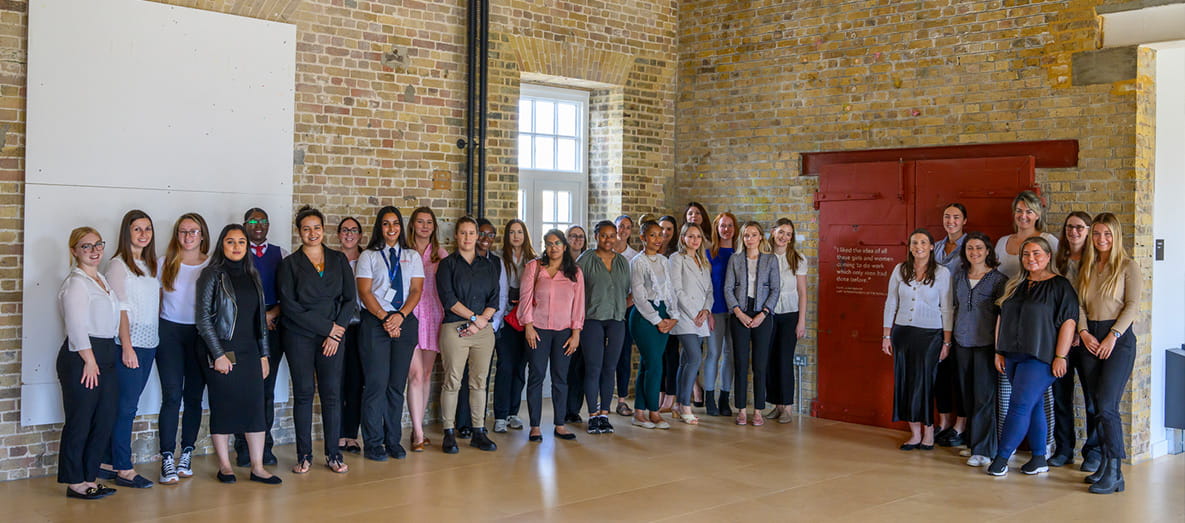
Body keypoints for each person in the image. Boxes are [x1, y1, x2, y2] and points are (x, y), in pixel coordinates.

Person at [196, 225, 281, 485]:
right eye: (231, 242)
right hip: (222, 350)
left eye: (241, 242)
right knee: (224, 406)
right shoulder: (211, 275)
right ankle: (225, 466)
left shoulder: (252, 275)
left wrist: (264, 355)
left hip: (250, 351)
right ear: (222, 245)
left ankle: (257, 467)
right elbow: (202, 319)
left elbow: (260, 322)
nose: (236, 247)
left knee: (255, 407)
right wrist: (218, 354)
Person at [987, 237, 1078, 477]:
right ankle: (1039, 457)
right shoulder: (1015, 284)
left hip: (1041, 357)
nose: (1031, 258)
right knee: (1033, 405)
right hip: (1013, 354)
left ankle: (1001, 458)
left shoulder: (1061, 286)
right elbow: (1001, 317)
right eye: (1026, 254)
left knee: (1018, 406)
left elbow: (1069, 322)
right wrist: (999, 350)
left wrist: (1061, 356)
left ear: (1048, 256)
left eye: (1037, 253)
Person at [277, 206, 357, 474]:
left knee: (331, 395)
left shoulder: (339, 260)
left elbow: (349, 299)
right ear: (299, 232)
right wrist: (328, 328)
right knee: (303, 394)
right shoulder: (289, 264)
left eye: (316, 227)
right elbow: (289, 306)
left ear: (323, 229)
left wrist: (337, 332)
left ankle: (333, 455)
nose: (312, 233)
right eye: (306, 228)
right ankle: (304, 456)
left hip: (334, 337)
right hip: (300, 336)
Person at [1077, 213, 1141, 494]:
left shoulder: (1128, 267)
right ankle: (1104, 463)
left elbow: (1132, 305)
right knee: (1094, 404)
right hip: (1090, 338)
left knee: (1107, 405)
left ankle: (1115, 472)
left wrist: (1112, 336)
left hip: (1118, 340)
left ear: (1116, 236)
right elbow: (1077, 305)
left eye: (1107, 234)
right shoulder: (1087, 266)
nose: (1101, 239)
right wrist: (1084, 333)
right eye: (1097, 234)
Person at [94, 211, 159, 489]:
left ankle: (106, 462)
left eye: (147, 229)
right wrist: (127, 347)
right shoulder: (118, 265)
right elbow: (119, 308)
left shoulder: (149, 264)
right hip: (129, 344)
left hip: (150, 344)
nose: (143, 234)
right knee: (126, 409)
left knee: (125, 406)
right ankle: (124, 467)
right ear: (126, 233)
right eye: (137, 229)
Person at [992, 192, 1059, 460]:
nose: (1023, 216)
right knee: (1009, 394)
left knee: (1039, 397)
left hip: (1039, 331)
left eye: (1029, 211)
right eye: (1019, 211)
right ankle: (1012, 447)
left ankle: (1043, 448)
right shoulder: (1001, 243)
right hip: (1008, 319)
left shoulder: (1049, 241)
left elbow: (1056, 288)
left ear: (1038, 214)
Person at [355, 206, 424, 461]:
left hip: (403, 322)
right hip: (375, 323)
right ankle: (373, 443)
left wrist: (400, 316)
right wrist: (385, 318)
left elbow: (416, 291)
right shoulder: (369, 256)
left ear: (401, 226)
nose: (391, 228)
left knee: (396, 386)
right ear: (379, 227)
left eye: (395, 223)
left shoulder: (412, 255)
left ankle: (392, 440)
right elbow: (365, 292)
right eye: (386, 224)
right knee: (376, 385)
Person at [57, 227, 120, 499]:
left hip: (106, 353)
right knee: (80, 421)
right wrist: (90, 361)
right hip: (82, 356)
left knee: (104, 419)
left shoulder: (102, 279)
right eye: (86, 246)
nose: (94, 251)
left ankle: (89, 477)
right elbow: (76, 326)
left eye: (97, 245)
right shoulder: (76, 283)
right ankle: (75, 483)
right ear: (74, 251)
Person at [882, 229, 952, 450]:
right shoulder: (900, 270)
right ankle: (913, 433)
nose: (918, 246)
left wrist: (947, 342)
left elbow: (948, 309)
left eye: (923, 242)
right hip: (903, 333)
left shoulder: (942, 273)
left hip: (930, 335)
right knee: (905, 382)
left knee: (924, 383)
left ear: (932, 246)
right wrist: (886, 334)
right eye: (914, 242)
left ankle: (929, 431)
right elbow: (891, 302)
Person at [436, 216, 501, 453]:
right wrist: (474, 319)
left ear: (477, 236)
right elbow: (449, 299)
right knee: (453, 381)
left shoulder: (489, 265)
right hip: (455, 329)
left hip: (483, 332)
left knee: (479, 382)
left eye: (471, 233)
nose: (467, 237)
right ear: (456, 236)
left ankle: (478, 431)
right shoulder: (447, 265)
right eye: (462, 233)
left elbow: (494, 298)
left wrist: (480, 321)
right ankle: (449, 432)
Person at [155, 213, 209, 484]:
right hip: (169, 333)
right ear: (177, 235)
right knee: (172, 396)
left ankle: (187, 452)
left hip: (200, 334)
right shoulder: (165, 263)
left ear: (202, 235)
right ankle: (166, 457)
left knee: (194, 397)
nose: (188, 236)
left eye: (193, 231)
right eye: (183, 231)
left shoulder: (212, 265)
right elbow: (156, 302)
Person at [519, 230, 585, 441]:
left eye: (557, 243)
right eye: (549, 244)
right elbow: (525, 298)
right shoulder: (534, 267)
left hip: (564, 331)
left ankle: (560, 424)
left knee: (560, 378)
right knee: (536, 376)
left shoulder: (575, 272)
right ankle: (535, 426)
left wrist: (576, 333)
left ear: (564, 246)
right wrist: (528, 326)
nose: (553, 247)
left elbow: (579, 304)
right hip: (538, 330)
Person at [1049, 211, 1101, 471]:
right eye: (1070, 227)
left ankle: (1093, 451)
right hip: (1061, 339)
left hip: (1088, 337)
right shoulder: (1058, 260)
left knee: (1092, 398)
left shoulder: (1096, 262)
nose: (1074, 232)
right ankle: (1064, 448)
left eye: (1080, 227)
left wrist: (1081, 332)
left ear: (1089, 230)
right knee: (1061, 395)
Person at [951, 232, 1007, 467]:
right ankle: (974, 443)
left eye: (979, 248)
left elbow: (1002, 316)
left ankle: (984, 450)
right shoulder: (960, 276)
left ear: (988, 251)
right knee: (968, 394)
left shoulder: (998, 280)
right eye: (970, 248)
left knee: (984, 397)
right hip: (962, 343)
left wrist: (999, 348)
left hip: (986, 345)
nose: (974, 252)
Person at [238, 207, 288, 467]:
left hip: (274, 327)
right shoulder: (236, 250)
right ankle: (243, 448)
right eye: (253, 221)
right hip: (244, 330)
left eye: (263, 221)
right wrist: (257, 318)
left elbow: (288, 292)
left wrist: (271, 315)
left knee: (267, 389)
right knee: (244, 389)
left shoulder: (281, 254)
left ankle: (265, 446)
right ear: (245, 224)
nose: (258, 225)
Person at [576, 221, 630, 434]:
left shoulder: (623, 262)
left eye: (612, 235)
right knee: (594, 368)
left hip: (617, 319)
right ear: (596, 236)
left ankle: (605, 415)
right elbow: (576, 290)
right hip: (592, 319)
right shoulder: (586, 260)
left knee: (610, 368)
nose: (608, 240)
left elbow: (629, 290)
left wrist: (620, 306)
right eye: (604, 236)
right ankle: (592, 415)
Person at [724, 221, 780, 426]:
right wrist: (738, 313)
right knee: (740, 363)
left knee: (760, 364)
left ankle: (757, 410)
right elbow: (728, 289)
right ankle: (740, 409)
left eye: (753, 235)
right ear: (742, 238)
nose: (750, 239)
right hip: (740, 313)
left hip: (762, 315)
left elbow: (775, 289)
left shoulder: (770, 260)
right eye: (746, 235)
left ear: (760, 237)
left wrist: (763, 313)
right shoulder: (735, 259)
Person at [628, 221, 679, 429]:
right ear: (642, 237)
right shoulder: (638, 262)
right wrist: (658, 321)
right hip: (644, 317)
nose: (658, 239)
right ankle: (654, 411)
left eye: (660, 235)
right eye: (652, 235)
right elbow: (639, 297)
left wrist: (673, 317)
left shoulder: (665, 261)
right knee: (656, 364)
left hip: (664, 313)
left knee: (648, 365)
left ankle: (638, 413)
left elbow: (671, 290)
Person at [407, 207, 449, 451]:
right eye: (420, 222)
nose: (424, 226)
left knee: (425, 375)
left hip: (433, 317)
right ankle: (419, 433)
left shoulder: (440, 255)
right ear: (413, 225)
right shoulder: (404, 252)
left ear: (434, 227)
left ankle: (417, 426)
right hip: (410, 316)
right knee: (414, 374)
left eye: (429, 222)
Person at [491, 219, 536, 433]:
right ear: (507, 235)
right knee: (505, 366)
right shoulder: (499, 258)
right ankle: (500, 415)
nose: (516, 236)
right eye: (512, 232)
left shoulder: (534, 260)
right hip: (505, 319)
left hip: (526, 321)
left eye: (520, 232)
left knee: (520, 368)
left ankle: (513, 413)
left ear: (525, 235)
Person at [669, 223, 711, 424]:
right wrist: (694, 312)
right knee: (694, 358)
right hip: (685, 316)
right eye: (691, 236)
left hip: (700, 317)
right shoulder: (676, 259)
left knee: (686, 360)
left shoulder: (703, 260)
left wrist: (706, 310)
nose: (695, 240)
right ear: (683, 238)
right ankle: (686, 404)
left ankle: (677, 404)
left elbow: (709, 291)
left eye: (698, 236)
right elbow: (676, 290)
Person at [933, 204, 968, 447]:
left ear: (964, 220)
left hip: (963, 319)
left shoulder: (970, 247)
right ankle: (944, 421)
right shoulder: (935, 246)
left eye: (956, 217)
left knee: (961, 375)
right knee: (940, 374)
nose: (951, 221)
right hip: (936, 318)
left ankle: (961, 425)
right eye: (947, 216)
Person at [766, 218, 808, 424]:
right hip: (768, 314)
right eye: (781, 232)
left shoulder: (798, 259)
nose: (784, 237)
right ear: (773, 232)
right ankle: (776, 405)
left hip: (790, 315)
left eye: (788, 234)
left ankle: (788, 407)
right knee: (769, 360)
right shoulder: (765, 257)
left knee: (784, 360)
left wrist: (801, 322)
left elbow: (802, 293)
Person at [336, 217, 365, 455]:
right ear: (338, 235)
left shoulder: (369, 259)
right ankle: (336, 434)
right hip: (335, 327)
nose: (349, 234)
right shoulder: (331, 260)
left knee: (355, 382)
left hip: (361, 327)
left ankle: (351, 435)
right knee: (335, 382)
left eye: (353, 230)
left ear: (360, 236)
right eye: (345, 230)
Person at [704, 211, 737, 416]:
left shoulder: (740, 253)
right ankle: (709, 398)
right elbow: (705, 285)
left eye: (730, 226)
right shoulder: (709, 253)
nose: (726, 229)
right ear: (717, 228)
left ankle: (725, 398)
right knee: (714, 353)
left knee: (730, 355)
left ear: (735, 229)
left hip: (735, 311)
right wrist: (706, 310)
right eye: (722, 226)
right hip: (714, 311)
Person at [612, 214, 639, 417]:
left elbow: (636, 288)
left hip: (626, 309)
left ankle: (622, 400)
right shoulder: (604, 252)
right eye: (620, 226)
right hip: (604, 310)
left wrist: (624, 304)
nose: (623, 230)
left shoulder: (634, 256)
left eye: (627, 227)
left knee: (624, 355)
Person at [563, 224, 589, 423]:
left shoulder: (588, 261)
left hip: (583, 320)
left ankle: (573, 409)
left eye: (580, 236)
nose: (577, 239)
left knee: (579, 367)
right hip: (562, 320)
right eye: (573, 236)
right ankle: (561, 407)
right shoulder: (560, 262)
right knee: (564, 367)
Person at [657, 215, 681, 413]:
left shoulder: (676, 255)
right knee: (658, 355)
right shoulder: (649, 252)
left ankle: (671, 395)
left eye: (669, 229)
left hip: (671, 308)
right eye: (661, 228)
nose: (664, 233)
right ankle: (660, 392)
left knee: (671, 354)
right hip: (654, 309)